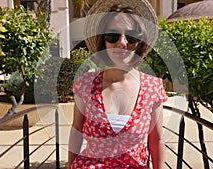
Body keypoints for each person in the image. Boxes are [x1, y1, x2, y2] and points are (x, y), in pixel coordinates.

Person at [68, 0, 168, 168]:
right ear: (103, 41)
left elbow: (156, 140)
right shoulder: (85, 84)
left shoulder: (153, 88)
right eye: (113, 35)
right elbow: (77, 130)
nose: (122, 43)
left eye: (131, 36)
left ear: (139, 43)